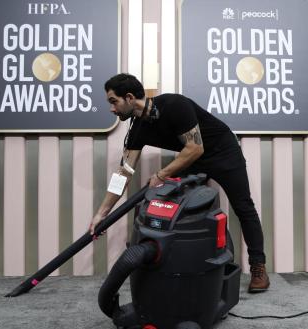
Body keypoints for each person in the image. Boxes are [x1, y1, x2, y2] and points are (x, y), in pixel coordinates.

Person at [89, 73, 269, 293]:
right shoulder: (137, 129)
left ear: (128, 97)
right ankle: (188, 264)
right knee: (178, 209)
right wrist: (102, 213)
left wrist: (162, 175)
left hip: (223, 151)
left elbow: (195, 147)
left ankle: (258, 266)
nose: (112, 109)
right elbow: (123, 173)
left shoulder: (174, 104)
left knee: (243, 207)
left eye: (113, 101)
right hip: (194, 159)